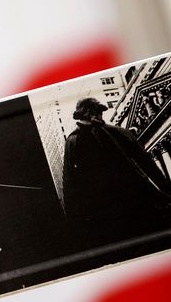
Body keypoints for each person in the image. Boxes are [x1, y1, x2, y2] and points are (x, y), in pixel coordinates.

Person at [62, 97, 171, 243]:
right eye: (98, 112)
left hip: (136, 200)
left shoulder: (117, 132)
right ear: (88, 113)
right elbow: (70, 182)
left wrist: (165, 190)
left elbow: (147, 163)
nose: (101, 116)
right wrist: (76, 218)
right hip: (107, 210)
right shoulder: (73, 141)